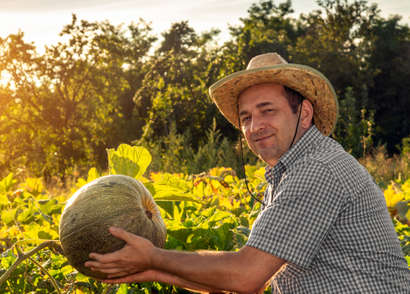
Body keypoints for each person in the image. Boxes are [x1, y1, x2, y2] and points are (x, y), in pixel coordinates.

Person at [84, 53, 410, 293]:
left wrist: (154, 256)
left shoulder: (318, 169)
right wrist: (151, 267)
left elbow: (244, 276)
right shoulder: (287, 172)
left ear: (305, 113)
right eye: (246, 117)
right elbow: (244, 274)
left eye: (268, 110)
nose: (255, 127)